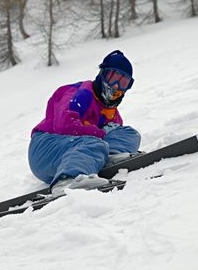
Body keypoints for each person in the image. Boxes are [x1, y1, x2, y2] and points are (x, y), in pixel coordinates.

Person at [28, 50, 141, 195]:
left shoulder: (112, 113)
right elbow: (65, 125)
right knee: (95, 143)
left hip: (76, 152)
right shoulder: (80, 93)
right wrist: (100, 134)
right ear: (102, 74)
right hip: (45, 150)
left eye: (124, 82)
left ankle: (108, 158)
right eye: (113, 77)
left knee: (129, 133)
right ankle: (69, 181)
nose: (116, 86)